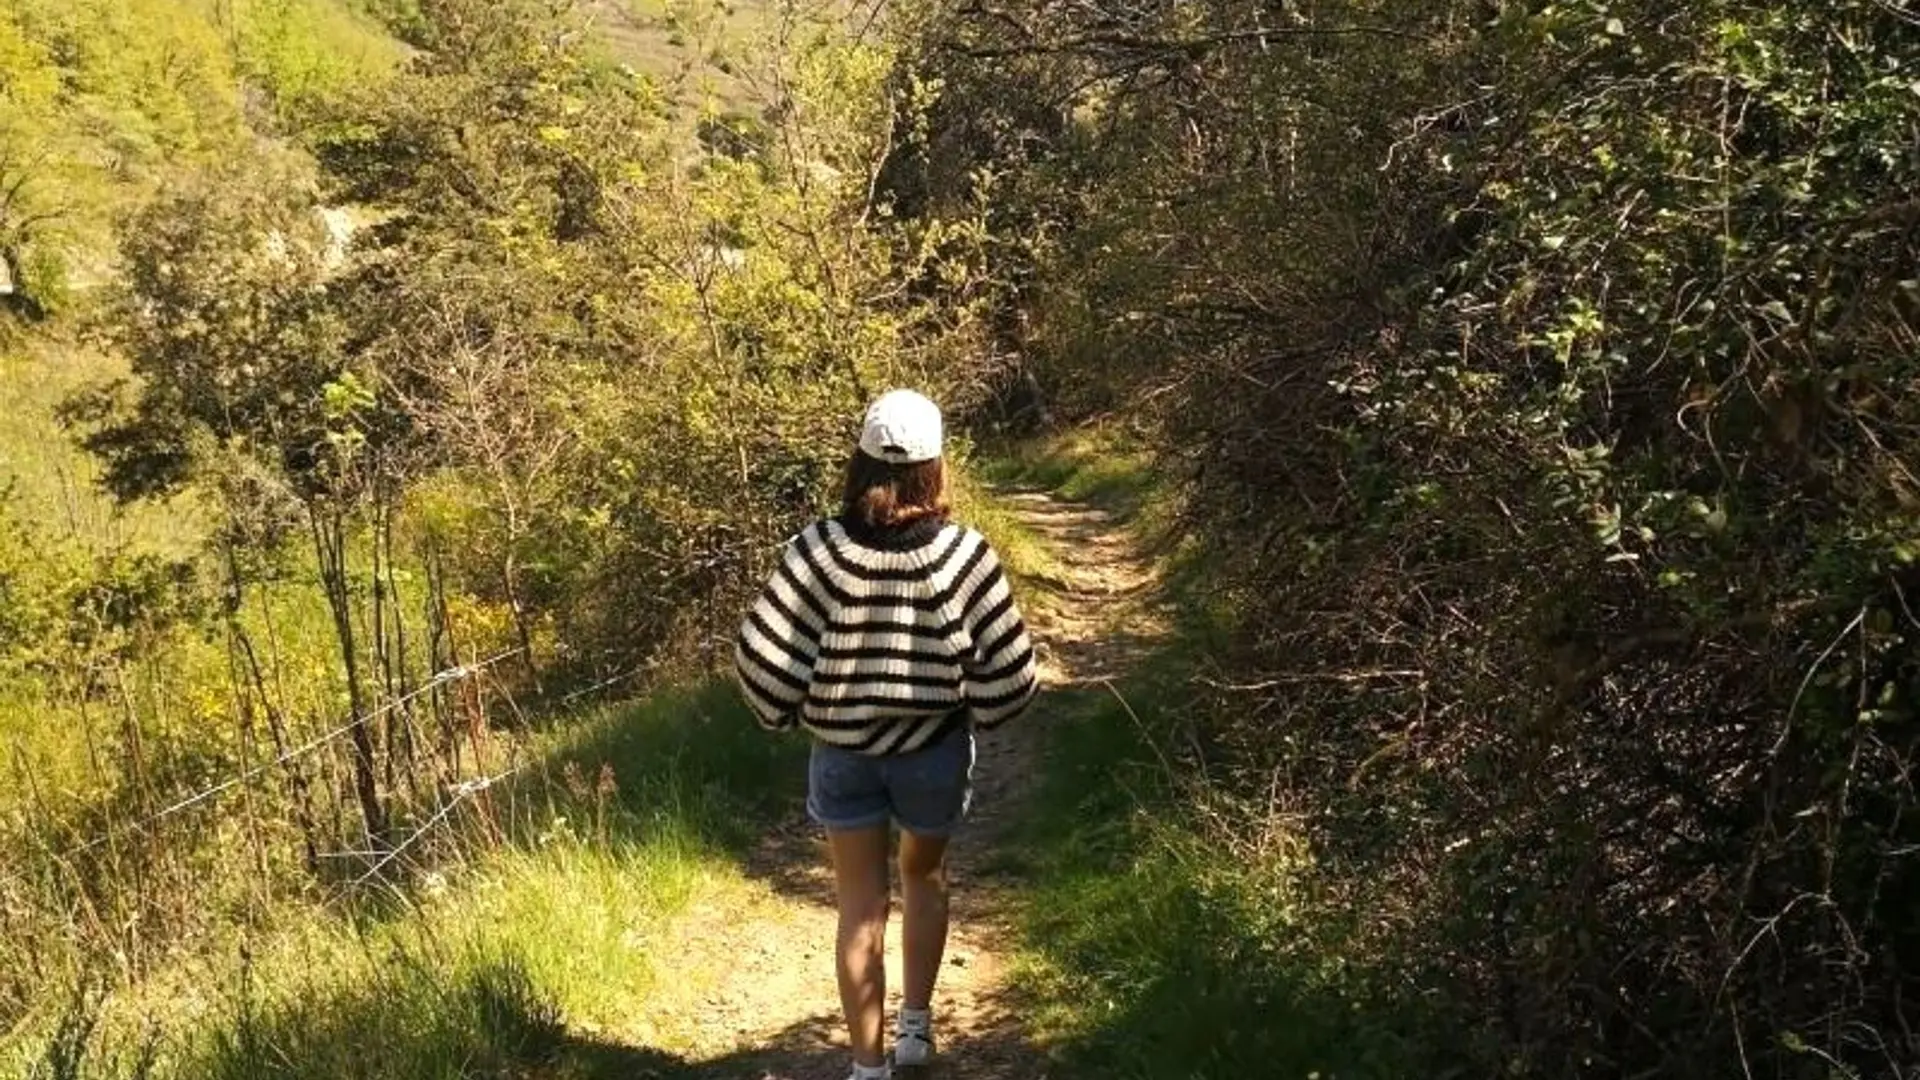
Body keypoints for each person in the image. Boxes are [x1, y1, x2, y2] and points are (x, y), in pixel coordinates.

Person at [733, 388, 1040, 1080]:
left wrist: (782, 709)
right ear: (936, 466)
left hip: (842, 755)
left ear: (861, 462)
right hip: (932, 753)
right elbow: (1012, 667)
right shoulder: (963, 556)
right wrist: (981, 710)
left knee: (858, 910)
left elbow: (760, 650)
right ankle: (916, 1031)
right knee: (924, 876)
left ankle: (867, 1071)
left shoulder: (819, 550)